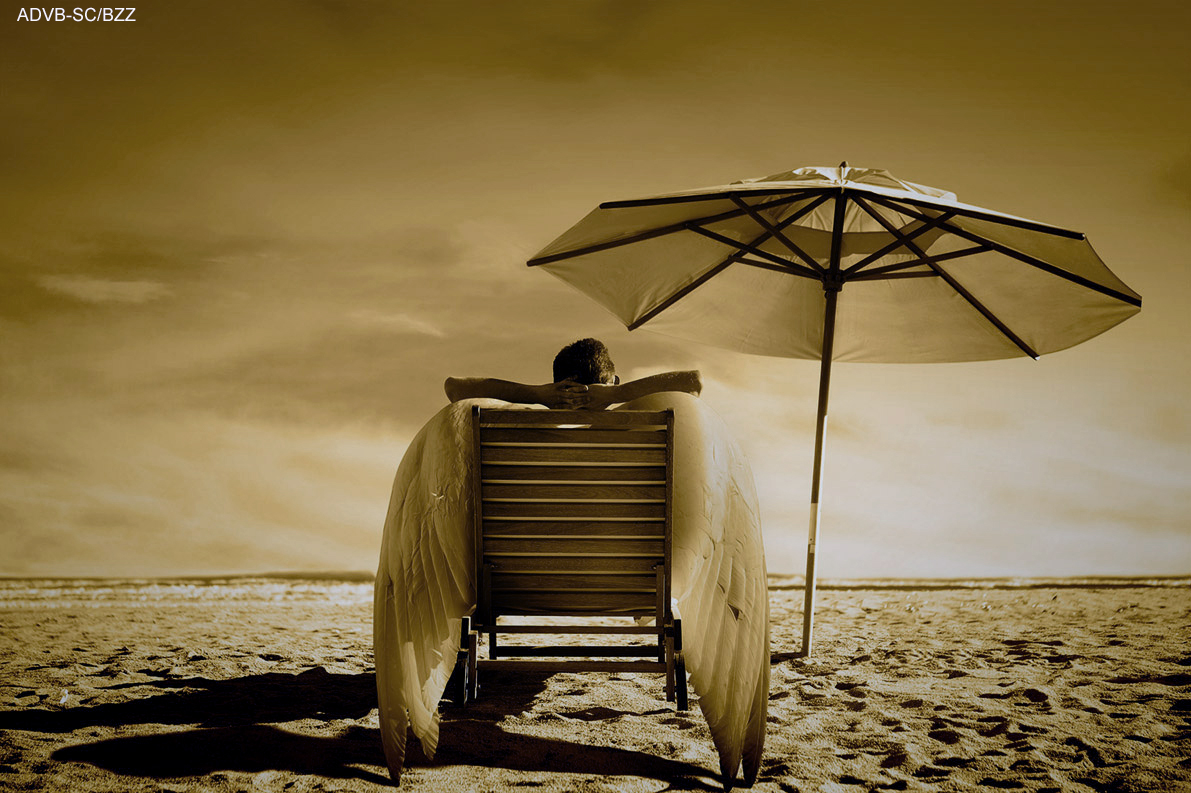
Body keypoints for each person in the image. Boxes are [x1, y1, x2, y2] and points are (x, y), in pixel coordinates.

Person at [444, 338, 701, 410]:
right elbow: (692, 382)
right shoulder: (636, 419)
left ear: (557, 384)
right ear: (613, 382)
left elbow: (455, 388)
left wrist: (536, 394)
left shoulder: (527, 423)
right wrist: (618, 394)